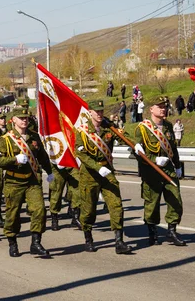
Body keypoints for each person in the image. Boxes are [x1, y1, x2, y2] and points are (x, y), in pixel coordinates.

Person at [0, 107, 53, 257]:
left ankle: (36, 243)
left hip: (32, 180)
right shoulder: (5, 139)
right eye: (21, 118)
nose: (25, 120)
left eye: (26, 118)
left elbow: (42, 156)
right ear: (13, 120)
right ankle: (12, 242)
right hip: (14, 181)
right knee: (13, 215)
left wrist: (49, 171)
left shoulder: (34, 136)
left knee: (39, 210)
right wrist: (14, 160)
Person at [74, 100, 133, 254]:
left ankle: (119, 241)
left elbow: (123, 137)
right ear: (90, 112)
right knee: (88, 209)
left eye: (101, 111)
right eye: (96, 111)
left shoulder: (108, 127)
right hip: (90, 174)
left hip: (107, 171)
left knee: (116, 205)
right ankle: (88, 238)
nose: (100, 114)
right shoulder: (82, 131)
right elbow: (81, 153)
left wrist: (135, 144)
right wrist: (97, 168)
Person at [134, 96, 186, 247]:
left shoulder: (169, 126)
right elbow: (138, 153)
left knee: (175, 199)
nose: (163, 109)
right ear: (151, 109)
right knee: (152, 203)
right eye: (160, 106)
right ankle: (152, 232)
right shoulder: (142, 129)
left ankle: (171, 230)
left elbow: (173, 149)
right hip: (152, 171)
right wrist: (153, 159)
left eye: (165, 106)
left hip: (168, 170)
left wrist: (177, 166)